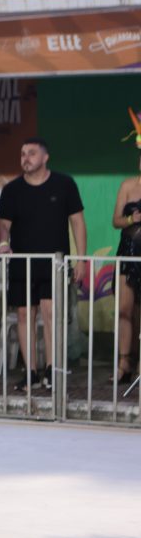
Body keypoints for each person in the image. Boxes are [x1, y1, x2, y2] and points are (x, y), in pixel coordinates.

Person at [0, 137, 87, 392]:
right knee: (24, 314)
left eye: (31, 153)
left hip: (54, 263)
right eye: (22, 153)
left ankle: (52, 369)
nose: (25, 158)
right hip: (22, 262)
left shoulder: (64, 184)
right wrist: (3, 242)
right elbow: (4, 224)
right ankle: (31, 372)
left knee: (51, 314)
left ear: (45, 157)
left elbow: (77, 222)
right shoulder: (12, 190)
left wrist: (81, 259)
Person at [111, 145, 141, 385]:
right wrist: (132, 218)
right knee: (124, 309)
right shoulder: (127, 185)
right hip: (128, 250)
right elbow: (116, 221)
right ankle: (124, 363)